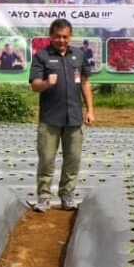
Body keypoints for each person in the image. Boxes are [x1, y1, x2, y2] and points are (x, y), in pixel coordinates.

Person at [29, 18, 95, 212]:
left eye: (65, 37)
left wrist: (90, 110)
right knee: (47, 159)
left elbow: (85, 83)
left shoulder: (79, 55)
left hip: (74, 117)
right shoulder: (42, 56)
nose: (61, 40)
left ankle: (67, 195)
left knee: (73, 158)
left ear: (70, 36)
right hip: (50, 118)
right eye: (57, 36)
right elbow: (34, 85)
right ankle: (43, 197)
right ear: (51, 36)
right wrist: (47, 83)